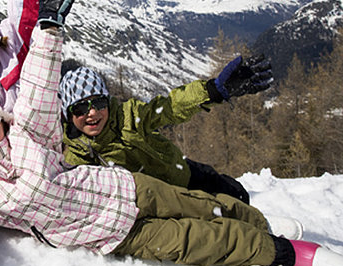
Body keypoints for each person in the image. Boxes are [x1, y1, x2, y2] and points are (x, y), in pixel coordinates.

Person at [0, 0, 343, 266]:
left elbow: (42, 86)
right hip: (118, 233)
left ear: (6, 123)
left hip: (131, 187)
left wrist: (47, 31)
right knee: (199, 239)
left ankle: (263, 223)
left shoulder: (30, 137)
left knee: (213, 204)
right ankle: (281, 254)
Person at [58, 58, 272, 204]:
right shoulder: (77, 159)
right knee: (220, 213)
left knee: (237, 194)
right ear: (69, 114)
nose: (92, 113)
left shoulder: (129, 115)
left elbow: (169, 108)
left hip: (184, 173)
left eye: (98, 103)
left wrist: (213, 91)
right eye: (80, 108)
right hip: (166, 203)